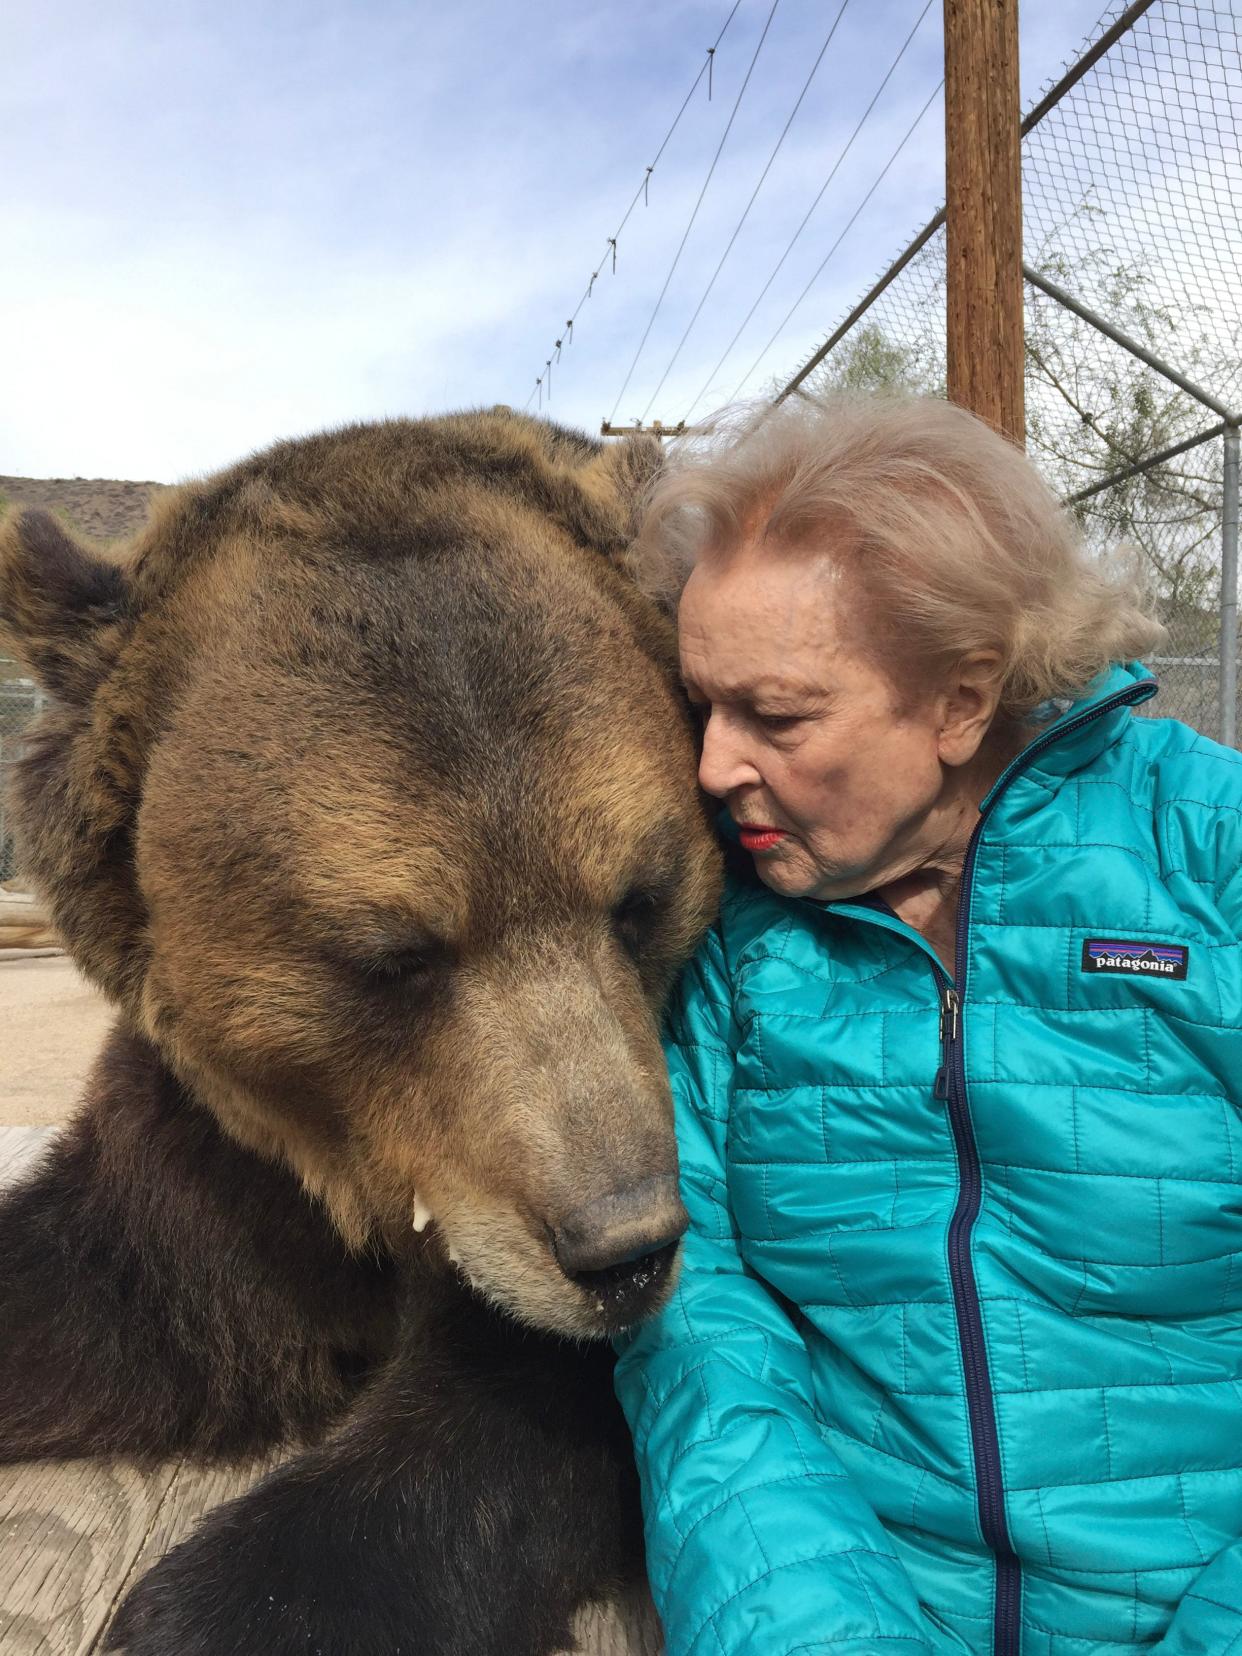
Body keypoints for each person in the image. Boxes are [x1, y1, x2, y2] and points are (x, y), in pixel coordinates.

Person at [613, 394, 1242, 1656]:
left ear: (962, 699)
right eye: (703, 707)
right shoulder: (727, 938)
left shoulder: (1210, 856)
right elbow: (706, 1330)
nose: (711, 767)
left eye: (777, 716)